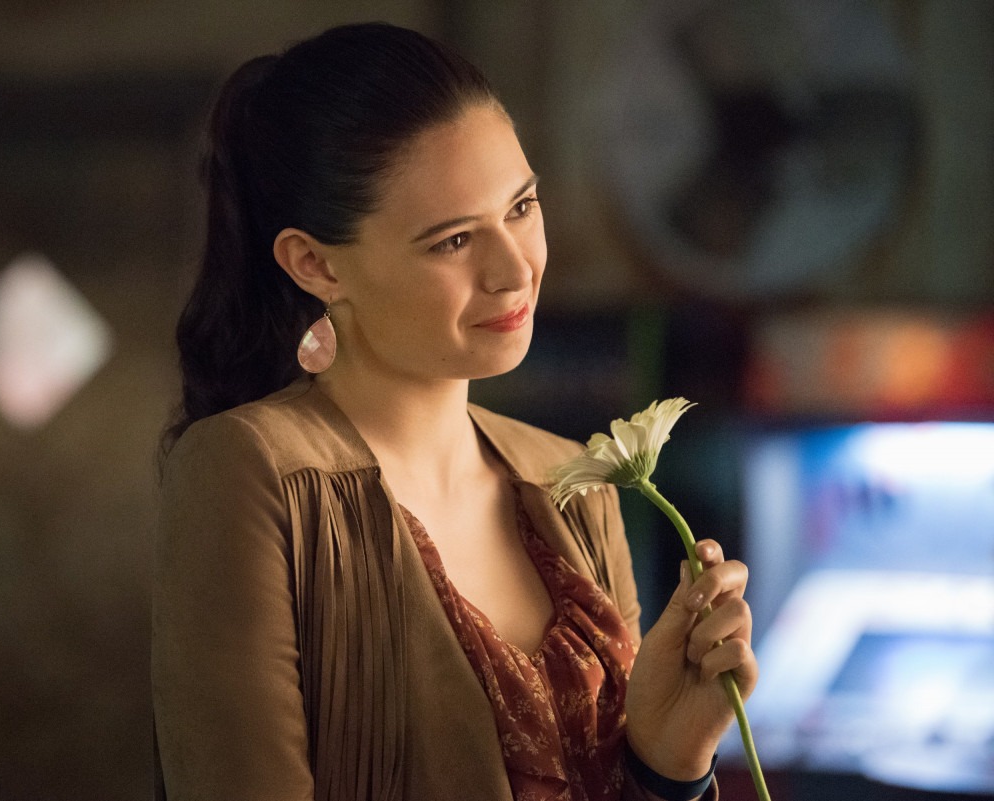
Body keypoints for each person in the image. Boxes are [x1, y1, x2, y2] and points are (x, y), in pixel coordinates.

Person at [152, 22, 757, 801]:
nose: (514, 269)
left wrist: (667, 762)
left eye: (522, 206)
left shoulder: (575, 483)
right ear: (316, 263)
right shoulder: (253, 470)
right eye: (452, 241)